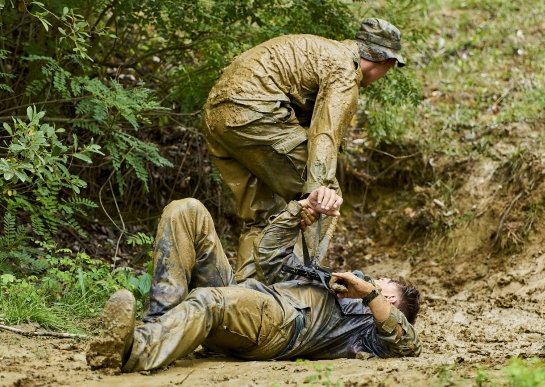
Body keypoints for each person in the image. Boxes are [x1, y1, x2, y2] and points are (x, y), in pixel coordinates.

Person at [86, 187, 421, 372]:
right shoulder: (331, 285)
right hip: (250, 297)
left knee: (208, 300)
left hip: (277, 326)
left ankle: (132, 352)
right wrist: (300, 210)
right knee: (185, 210)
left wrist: (370, 293)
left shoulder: (367, 330)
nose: (377, 279)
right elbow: (269, 257)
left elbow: (407, 344)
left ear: (389, 301)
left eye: (385, 284)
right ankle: (161, 325)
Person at [202, 18, 407, 280]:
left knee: (264, 214)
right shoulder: (344, 71)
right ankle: (295, 286)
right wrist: (317, 189)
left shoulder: (322, 50)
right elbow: (325, 134)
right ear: (385, 61)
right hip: (254, 114)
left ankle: (244, 298)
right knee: (325, 197)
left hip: (216, 117)